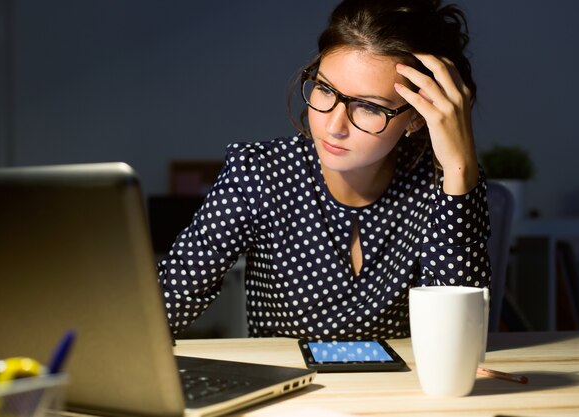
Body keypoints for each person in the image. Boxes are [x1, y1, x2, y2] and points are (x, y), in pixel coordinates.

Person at [158, 0, 491, 340]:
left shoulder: (442, 186)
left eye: (368, 107)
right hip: (287, 390)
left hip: (401, 392)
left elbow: (459, 337)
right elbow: (166, 304)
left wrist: (459, 169)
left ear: (417, 117)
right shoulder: (260, 173)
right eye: (324, 89)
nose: (334, 125)